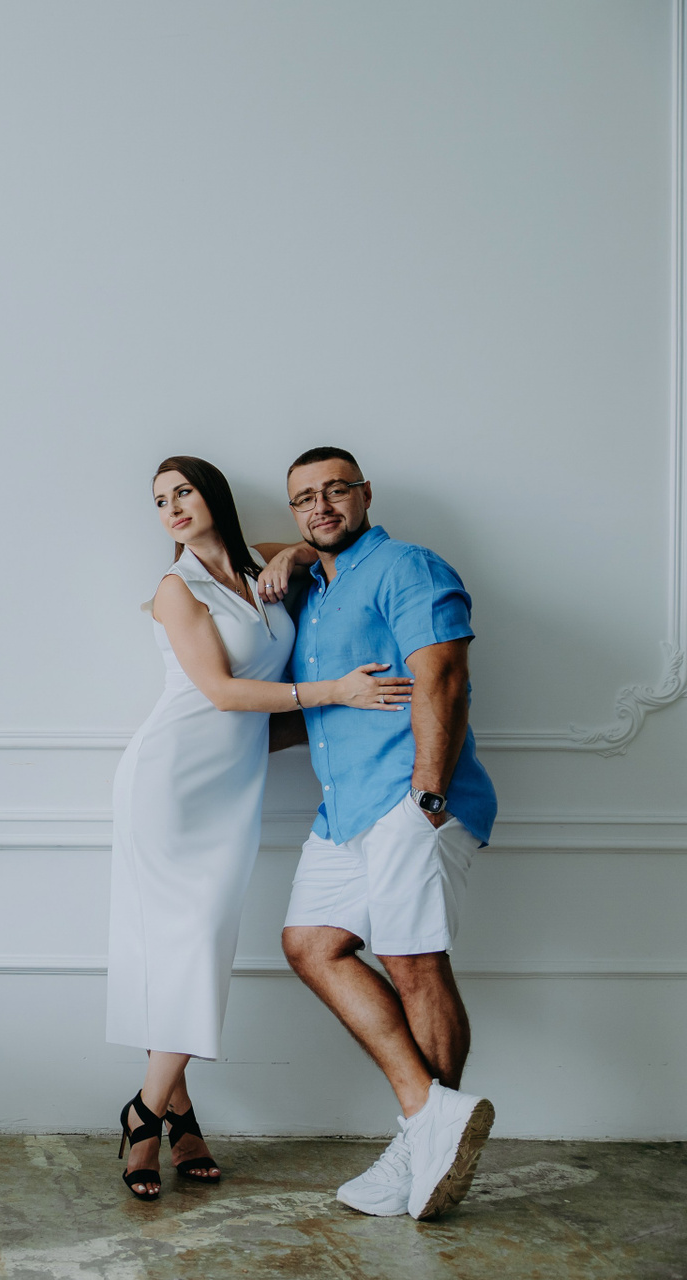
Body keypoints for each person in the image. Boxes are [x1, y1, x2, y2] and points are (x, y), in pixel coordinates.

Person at [108, 455, 414, 1202]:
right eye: (160, 501)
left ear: (214, 495)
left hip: (233, 786)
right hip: (170, 783)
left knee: (191, 944)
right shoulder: (176, 588)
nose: (172, 508)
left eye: (183, 492)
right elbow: (220, 691)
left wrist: (292, 558)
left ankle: (174, 1114)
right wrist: (336, 693)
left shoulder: (258, 563)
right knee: (188, 944)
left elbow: (313, 547)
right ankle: (146, 1111)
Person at [256, 447, 499, 1221]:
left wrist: (428, 794)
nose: (321, 506)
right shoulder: (316, 589)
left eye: (336, 491)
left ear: (366, 494)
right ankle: (430, 1121)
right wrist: (293, 554)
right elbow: (239, 548)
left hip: (408, 798)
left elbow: (444, 676)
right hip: (343, 812)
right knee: (310, 943)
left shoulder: (407, 566)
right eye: (304, 499)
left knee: (413, 961)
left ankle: (423, 1142)